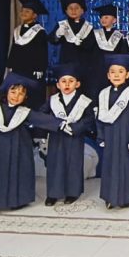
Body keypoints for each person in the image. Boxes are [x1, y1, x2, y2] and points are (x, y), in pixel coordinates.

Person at [0, 72, 61, 215]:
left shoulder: (24, 112)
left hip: (18, 146)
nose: (16, 96)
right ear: (6, 91)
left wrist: (60, 124)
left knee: (16, 172)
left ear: (25, 97)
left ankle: (14, 200)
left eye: (21, 93)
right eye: (13, 92)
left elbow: (41, 119)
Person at [40, 63, 94, 206]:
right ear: (58, 85)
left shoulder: (84, 101)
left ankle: (72, 192)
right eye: (63, 81)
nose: (67, 84)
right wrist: (55, 124)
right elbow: (42, 116)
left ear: (78, 84)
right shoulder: (52, 100)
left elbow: (89, 119)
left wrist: (77, 127)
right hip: (57, 136)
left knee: (73, 163)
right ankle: (53, 194)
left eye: (71, 81)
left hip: (75, 137)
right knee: (55, 164)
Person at [96, 54, 129, 209]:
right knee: (110, 166)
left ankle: (126, 197)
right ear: (108, 75)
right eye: (113, 72)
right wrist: (101, 136)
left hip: (126, 136)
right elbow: (99, 117)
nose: (116, 75)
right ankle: (109, 197)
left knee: (127, 166)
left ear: (127, 74)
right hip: (110, 135)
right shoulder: (103, 94)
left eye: (121, 71)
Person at [50, 0, 97, 96]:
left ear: (82, 10)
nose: (73, 10)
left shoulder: (88, 27)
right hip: (66, 63)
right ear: (66, 11)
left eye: (76, 8)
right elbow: (52, 40)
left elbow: (91, 46)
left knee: (83, 92)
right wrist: (57, 34)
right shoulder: (62, 25)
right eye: (70, 8)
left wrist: (82, 43)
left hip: (83, 65)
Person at [8, 0, 49, 81]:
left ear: (34, 15)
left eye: (27, 11)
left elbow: (42, 52)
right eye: (22, 11)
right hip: (17, 67)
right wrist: (11, 65)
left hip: (32, 68)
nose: (23, 13)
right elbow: (13, 49)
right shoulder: (17, 30)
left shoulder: (39, 31)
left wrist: (39, 68)